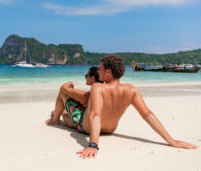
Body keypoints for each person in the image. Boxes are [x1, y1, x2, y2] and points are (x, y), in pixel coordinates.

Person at [47, 55, 198, 159]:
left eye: (100, 69)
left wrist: (93, 144)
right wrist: (171, 141)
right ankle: (59, 116)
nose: (98, 71)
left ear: (108, 72)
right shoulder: (131, 90)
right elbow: (147, 114)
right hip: (110, 129)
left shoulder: (98, 87)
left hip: (86, 128)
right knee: (68, 113)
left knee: (63, 93)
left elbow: (95, 115)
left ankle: (55, 119)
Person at [45, 67, 103, 131]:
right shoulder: (104, 93)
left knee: (63, 95)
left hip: (83, 126)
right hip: (98, 124)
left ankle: (55, 120)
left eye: (87, 76)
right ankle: (55, 113)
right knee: (65, 108)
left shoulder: (86, 95)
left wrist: (70, 83)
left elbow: (63, 88)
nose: (85, 78)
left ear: (92, 78)